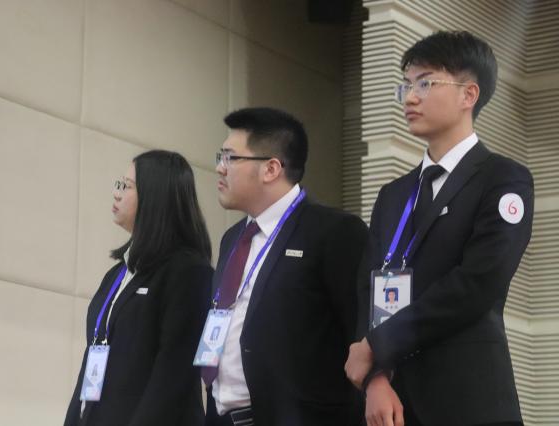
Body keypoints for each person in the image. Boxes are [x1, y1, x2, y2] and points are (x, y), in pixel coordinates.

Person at [345, 31, 533, 426]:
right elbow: (367, 288)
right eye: (406, 86)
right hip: (393, 403)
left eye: (425, 83)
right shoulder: (393, 194)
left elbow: (477, 283)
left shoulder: (503, 179)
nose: (410, 98)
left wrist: (377, 345)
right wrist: (375, 378)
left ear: (469, 94)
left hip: (469, 401)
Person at [200, 107, 368, 426]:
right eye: (220, 157)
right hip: (221, 416)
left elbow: (358, 334)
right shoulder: (232, 239)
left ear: (271, 169)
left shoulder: (334, 232)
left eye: (230, 158)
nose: (220, 168)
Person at [64, 150, 213, 426]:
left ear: (155, 196)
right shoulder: (117, 274)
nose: (116, 193)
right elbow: (92, 360)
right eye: (118, 184)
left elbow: (173, 378)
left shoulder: (189, 272)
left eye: (127, 186)